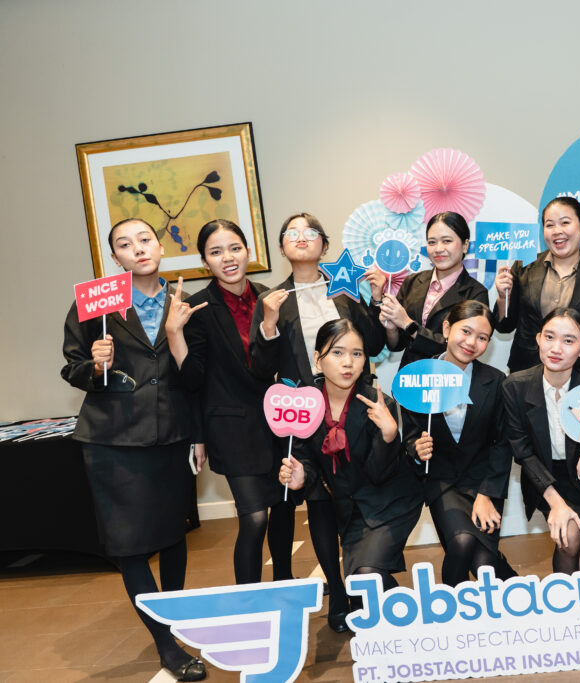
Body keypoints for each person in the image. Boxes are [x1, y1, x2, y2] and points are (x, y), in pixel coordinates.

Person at [61, 217, 206, 681]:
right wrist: (95, 365)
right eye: (125, 244)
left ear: (160, 247)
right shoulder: (95, 304)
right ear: (115, 258)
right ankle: (166, 644)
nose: (138, 248)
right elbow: (71, 367)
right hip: (112, 440)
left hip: (172, 435)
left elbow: (196, 379)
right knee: (130, 545)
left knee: (174, 535)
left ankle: (173, 620)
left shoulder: (184, 301)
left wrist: (198, 434)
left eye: (145, 239)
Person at [249, 212, 384, 632]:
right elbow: (260, 367)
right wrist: (268, 324)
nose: (301, 238)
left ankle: (367, 575)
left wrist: (375, 299)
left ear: (325, 245)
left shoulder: (345, 289)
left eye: (310, 232)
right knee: (319, 504)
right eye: (292, 233)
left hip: (352, 405)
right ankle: (338, 595)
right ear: (282, 247)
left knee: (358, 494)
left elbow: (374, 344)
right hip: (304, 413)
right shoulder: (272, 300)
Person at [165, 219, 295, 585]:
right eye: (216, 252)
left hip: (279, 422)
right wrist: (174, 333)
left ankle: (285, 585)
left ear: (248, 251)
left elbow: (280, 363)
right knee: (254, 518)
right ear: (204, 262)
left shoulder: (270, 297)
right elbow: (192, 380)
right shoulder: (196, 307)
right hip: (231, 428)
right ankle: (249, 598)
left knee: (284, 509)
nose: (228, 258)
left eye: (235, 248)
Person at [279, 319, 421, 604]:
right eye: (337, 353)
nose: (348, 363)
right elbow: (306, 458)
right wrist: (301, 475)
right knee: (360, 589)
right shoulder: (306, 404)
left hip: (390, 502)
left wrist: (388, 435)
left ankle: (410, 611)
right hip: (351, 508)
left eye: (357, 354)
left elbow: (379, 473)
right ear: (318, 359)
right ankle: (402, 608)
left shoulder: (377, 403)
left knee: (367, 575)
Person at [403, 300, 516, 585]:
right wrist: (416, 448)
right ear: (446, 328)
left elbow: (503, 443)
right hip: (441, 480)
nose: (471, 342)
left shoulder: (495, 381)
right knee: (462, 542)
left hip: (483, 481)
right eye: (465, 331)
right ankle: (450, 606)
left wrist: (486, 494)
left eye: (482, 337)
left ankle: (519, 589)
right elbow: (410, 434)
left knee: (484, 565)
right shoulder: (419, 376)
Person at [501, 308, 580, 575]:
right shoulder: (515, 387)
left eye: (568, 340)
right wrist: (556, 503)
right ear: (538, 338)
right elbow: (522, 452)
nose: (556, 348)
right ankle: (565, 599)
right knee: (569, 537)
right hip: (545, 478)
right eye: (549, 337)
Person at [494, 197, 580, 388]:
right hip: (525, 375)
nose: (557, 231)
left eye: (565, 223)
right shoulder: (524, 267)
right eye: (550, 225)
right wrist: (503, 298)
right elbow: (505, 326)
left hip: (577, 379)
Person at [369, 212, 488, 368]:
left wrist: (407, 324)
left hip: (449, 375)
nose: (438, 249)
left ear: (465, 245)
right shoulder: (413, 282)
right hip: (410, 375)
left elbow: (462, 348)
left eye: (447, 241)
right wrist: (392, 329)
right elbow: (397, 345)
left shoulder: (476, 293)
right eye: (432, 242)